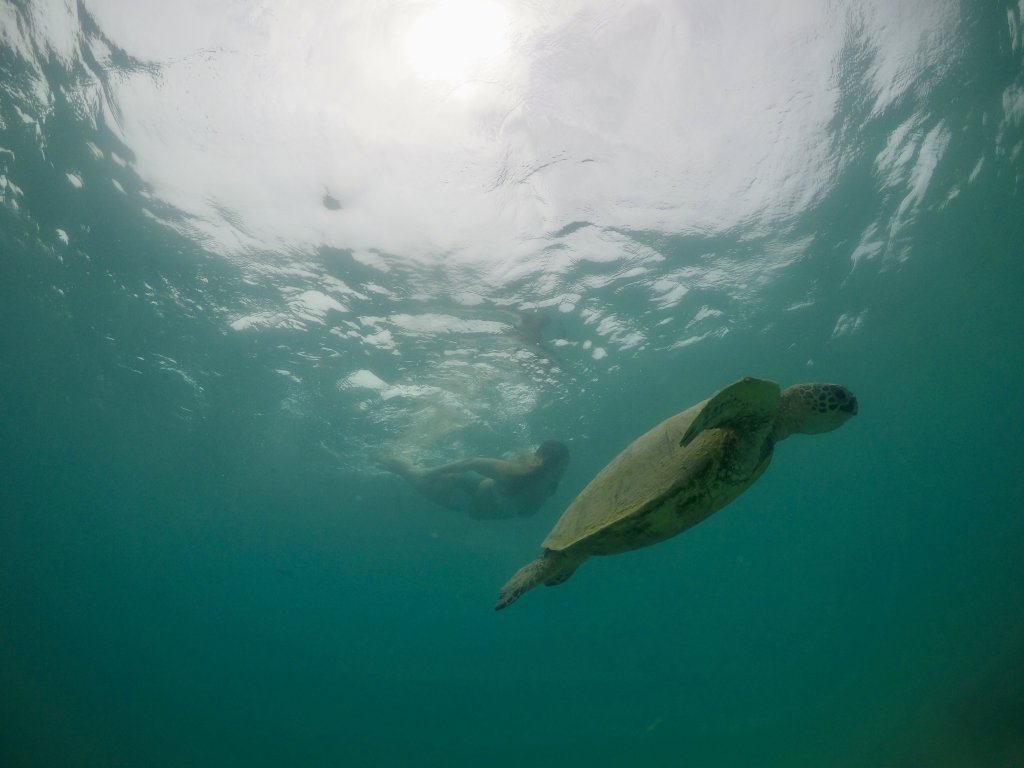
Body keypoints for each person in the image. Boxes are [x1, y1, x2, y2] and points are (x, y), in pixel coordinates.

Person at [378, 440, 570, 519]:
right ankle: (379, 454)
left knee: (409, 474)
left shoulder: (550, 489)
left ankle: (391, 463)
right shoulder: (513, 474)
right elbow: (472, 462)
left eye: (562, 469)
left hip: (466, 506)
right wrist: (433, 472)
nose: (558, 474)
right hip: (459, 491)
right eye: (555, 467)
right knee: (413, 473)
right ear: (542, 463)